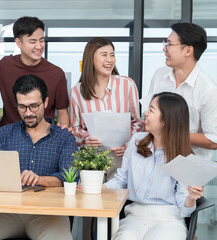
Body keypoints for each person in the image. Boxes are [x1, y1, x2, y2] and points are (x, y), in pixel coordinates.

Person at [0, 75, 78, 240]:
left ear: (46, 102)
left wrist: (39, 179)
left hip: (48, 213)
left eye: (34, 106)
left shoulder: (64, 137)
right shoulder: (5, 134)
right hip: (7, 211)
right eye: (22, 107)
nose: (28, 113)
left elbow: (70, 177)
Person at [105, 92, 204, 240]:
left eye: (151, 110)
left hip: (169, 220)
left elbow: (185, 209)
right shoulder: (136, 141)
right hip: (134, 217)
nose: (145, 113)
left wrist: (191, 198)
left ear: (166, 120)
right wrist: (95, 188)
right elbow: (121, 180)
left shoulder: (184, 157)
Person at [0, 16, 70, 128]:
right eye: (33, 41)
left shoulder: (56, 74)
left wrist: (62, 133)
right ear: (18, 43)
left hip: (44, 139)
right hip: (8, 138)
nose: (39, 46)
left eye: (41, 40)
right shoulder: (4, 66)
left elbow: (62, 112)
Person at [70, 37, 141, 180]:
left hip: (121, 158)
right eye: (104, 55)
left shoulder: (127, 85)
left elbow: (137, 123)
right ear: (91, 58)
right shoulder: (77, 91)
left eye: (112, 54)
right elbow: (75, 128)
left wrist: (128, 146)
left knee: (119, 199)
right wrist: (86, 139)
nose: (110, 59)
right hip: (91, 160)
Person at [148, 22, 217, 162]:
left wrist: (171, 134)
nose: (164, 49)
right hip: (155, 161)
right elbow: (149, 116)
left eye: (169, 44)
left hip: (189, 168)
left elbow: (213, 140)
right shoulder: (159, 75)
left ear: (188, 50)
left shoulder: (208, 90)